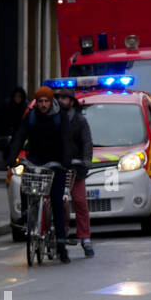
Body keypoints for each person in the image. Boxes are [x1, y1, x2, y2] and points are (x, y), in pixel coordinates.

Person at [9, 85, 73, 263]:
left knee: (56, 201)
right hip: (36, 159)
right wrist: (12, 157)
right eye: (40, 102)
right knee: (26, 187)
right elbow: (20, 136)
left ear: (51, 101)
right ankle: (25, 217)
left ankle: (61, 245)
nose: (43, 105)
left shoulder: (60, 117)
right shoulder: (31, 117)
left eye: (46, 101)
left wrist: (66, 161)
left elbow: (67, 140)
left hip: (56, 162)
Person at [55, 87, 95, 257]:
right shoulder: (54, 119)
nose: (61, 101)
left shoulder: (79, 121)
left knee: (79, 202)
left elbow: (87, 143)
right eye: (59, 98)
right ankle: (60, 233)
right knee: (58, 203)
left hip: (75, 168)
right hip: (58, 167)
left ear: (71, 102)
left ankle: (85, 238)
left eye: (65, 98)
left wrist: (85, 161)